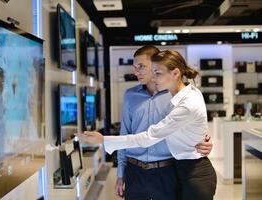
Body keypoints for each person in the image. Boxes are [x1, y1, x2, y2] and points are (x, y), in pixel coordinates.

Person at [77, 49, 217, 200]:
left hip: (168, 171)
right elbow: (126, 133)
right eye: (134, 67)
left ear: (155, 65)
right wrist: (120, 174)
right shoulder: (131, 95)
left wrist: (104, 140)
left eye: (142, 66)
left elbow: (153, 136)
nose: (136, 72)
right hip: (135, 172)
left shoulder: (177, 97)